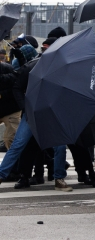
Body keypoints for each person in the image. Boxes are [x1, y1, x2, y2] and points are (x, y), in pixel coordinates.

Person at [0, 41, 73, 192]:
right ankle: (2, 174)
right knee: (19, 144)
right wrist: (25, 107)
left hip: (46, 110)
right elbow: (17, 87)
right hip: (35, 110)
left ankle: (59, 177)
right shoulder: (32, 67)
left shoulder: (53, 68)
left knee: (56, 145)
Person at [0, 59, 20, 149]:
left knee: (11, 139)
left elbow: (16, 89)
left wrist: (1, 95)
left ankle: (15, 161)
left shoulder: (7, 70)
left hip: (10, 110)